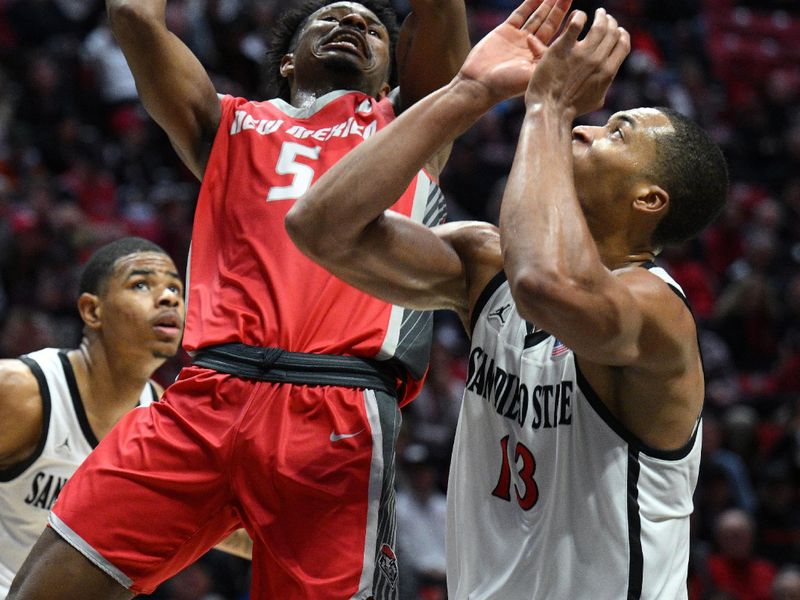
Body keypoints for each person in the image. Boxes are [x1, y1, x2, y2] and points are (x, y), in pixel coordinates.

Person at [8, 0, 492, 597]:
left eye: (371, 27)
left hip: (335, 411)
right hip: (205, 396)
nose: (352, 26)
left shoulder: (408, 122)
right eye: (332, 18)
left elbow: (441, 15)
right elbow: (133, 16)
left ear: (393, 73)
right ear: (288, 60)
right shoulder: (228, 124)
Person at [285, 2, 729, 597]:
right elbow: (317, 225)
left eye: (614, 132)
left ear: (649, 200)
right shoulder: (485, 264)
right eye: (595, 119)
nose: (585, 128)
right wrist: (469, 91)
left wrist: (549, 106)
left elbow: (546, 286)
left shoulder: (656, 313)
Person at [0, 237, 185, 598]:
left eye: (176, 288)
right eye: (142, 284)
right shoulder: (22, 390)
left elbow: (221, 529)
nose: (169, 298)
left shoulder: (160, 414)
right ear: (92, 311)